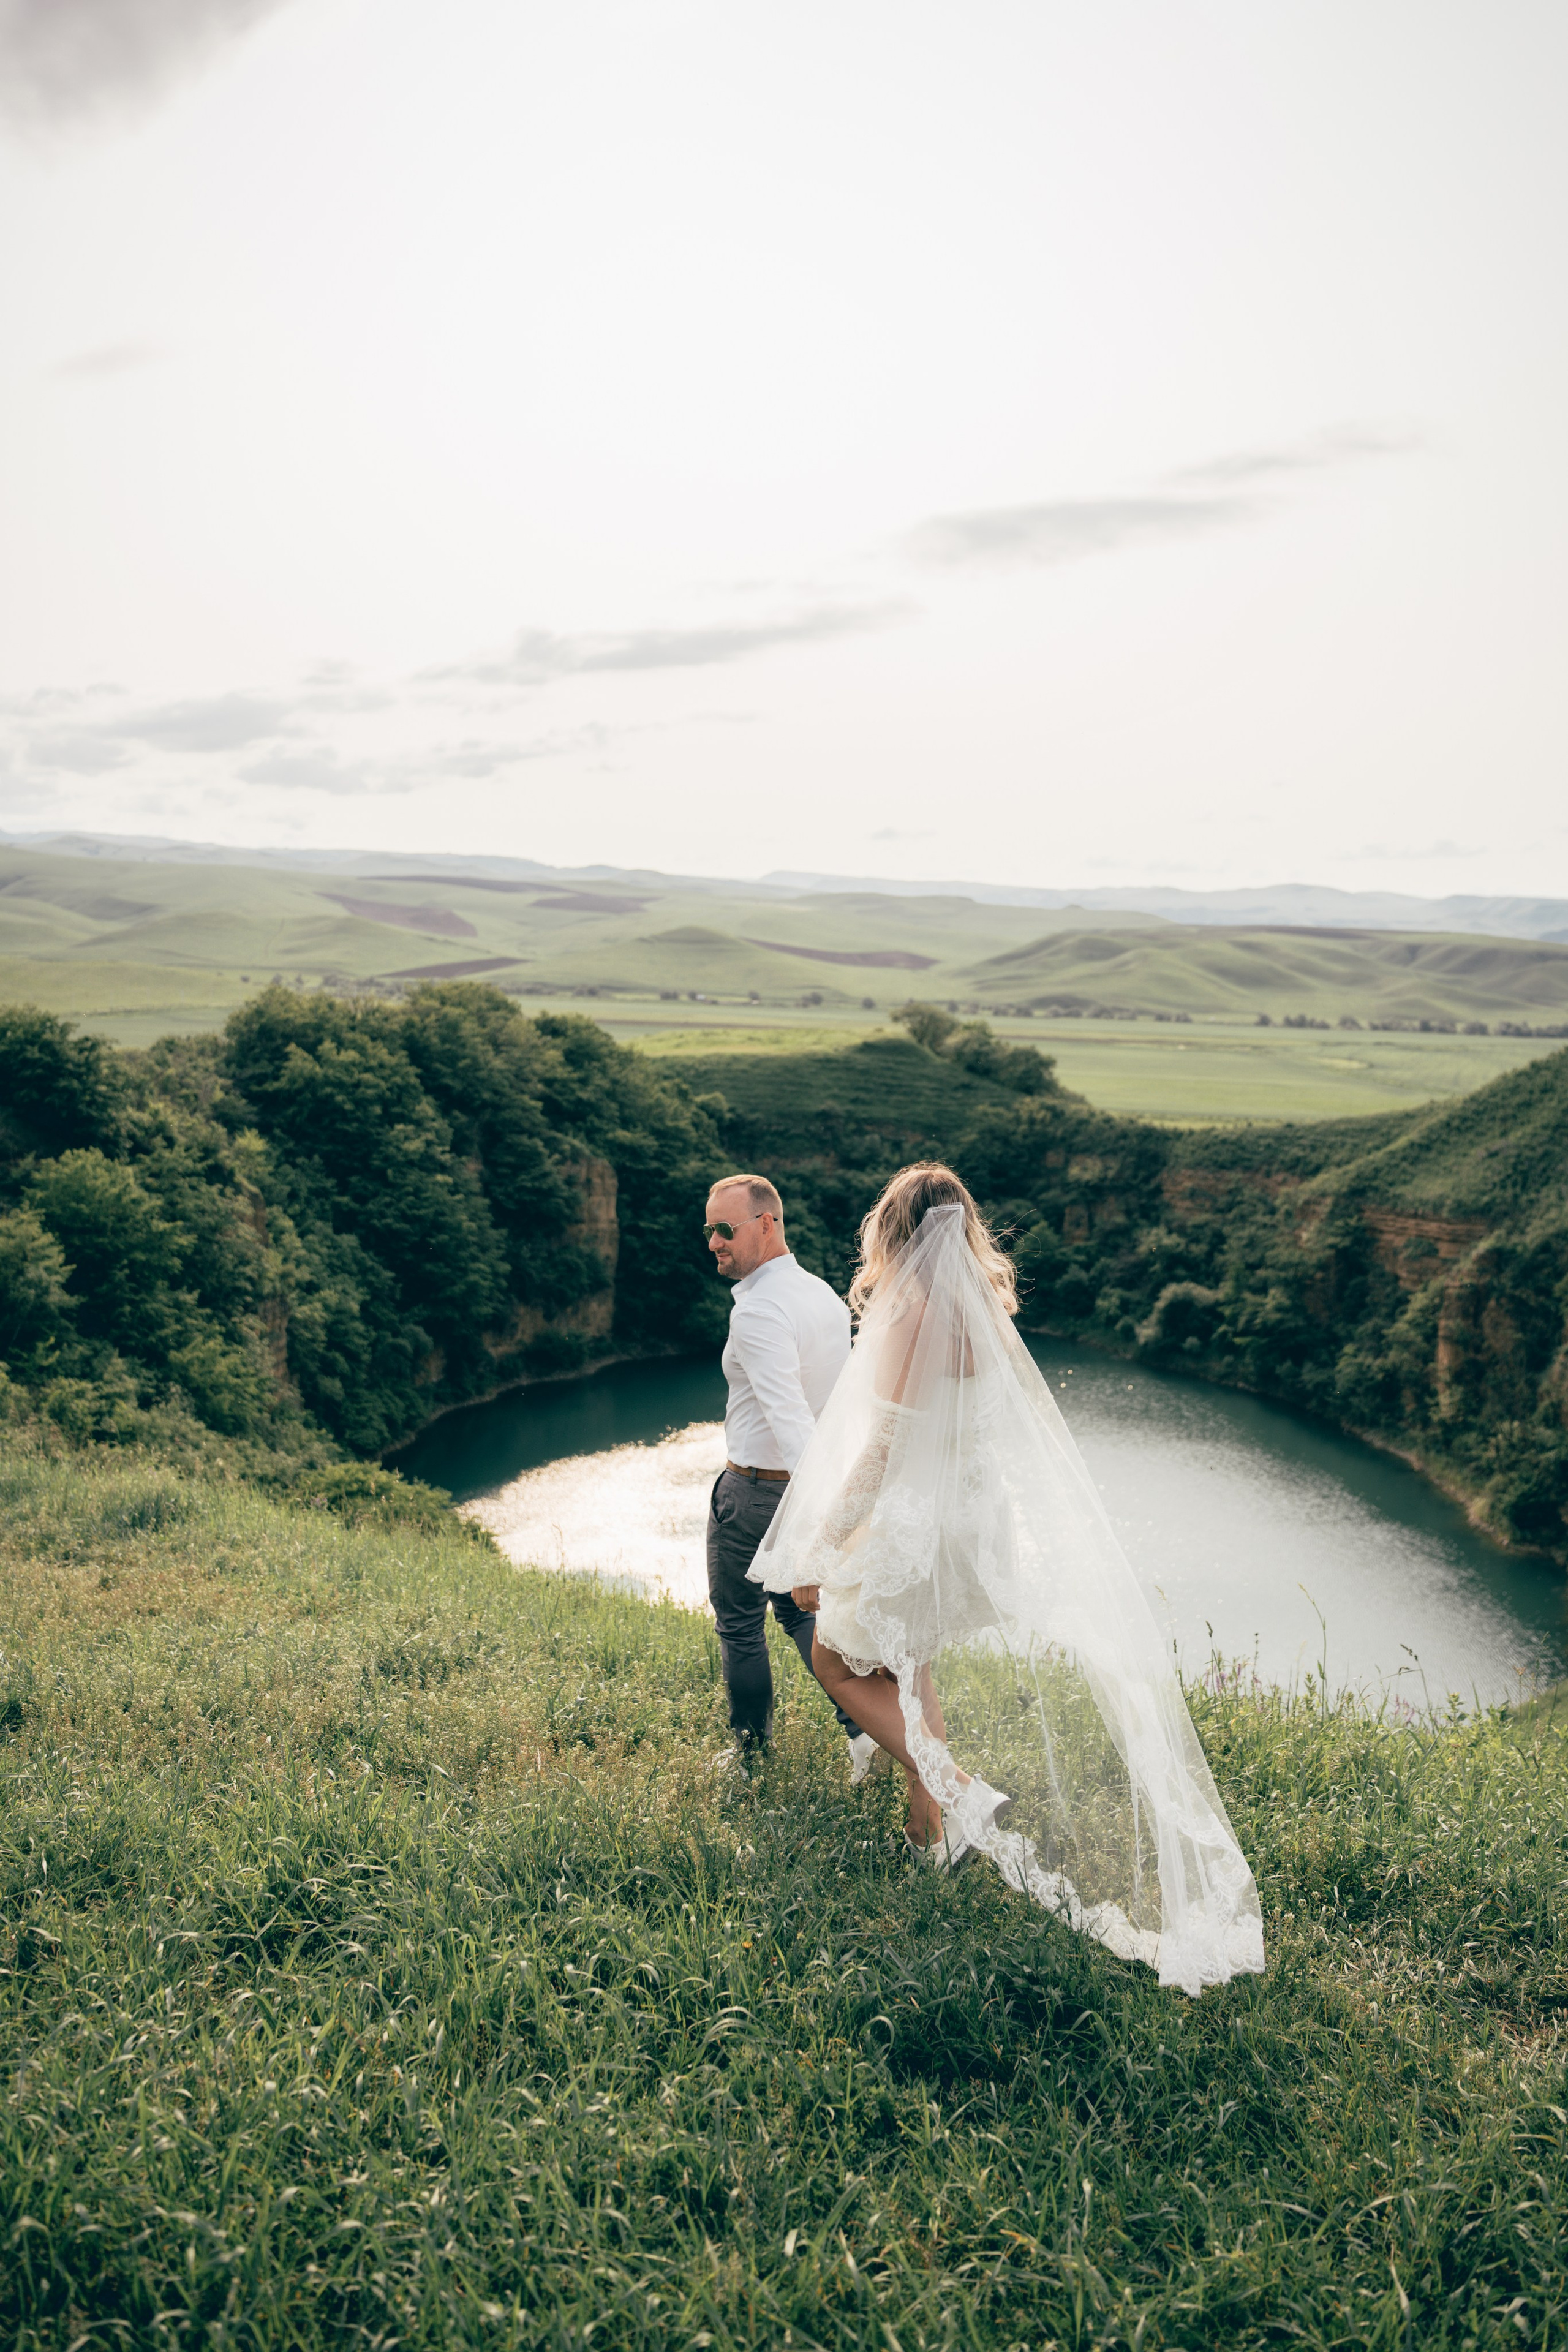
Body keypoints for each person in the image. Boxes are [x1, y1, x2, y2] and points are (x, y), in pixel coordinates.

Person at [748, 1161, 1265, 1997]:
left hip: (917, 1524)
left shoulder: (908, 1313)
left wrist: (817, 1549)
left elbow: (880, 1453)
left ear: (898, 1234)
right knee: (909, 1671)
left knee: (836, 1662)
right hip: (975, 1528)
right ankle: (931, 1841)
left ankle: (957, 1791)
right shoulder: (985, 1307)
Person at [704, 1172, 871, 1769]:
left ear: (766, 1224)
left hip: (754, 1495)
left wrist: (821, 1508)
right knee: (802, 1611)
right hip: (805, 1489)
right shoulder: (822, 1295)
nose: (714, 1243)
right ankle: (863, 1732)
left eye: (725, 1230)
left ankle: (750, 1756)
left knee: (741, 1625)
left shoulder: (760, 1311)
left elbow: (790, 1418)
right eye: (709, 1231)